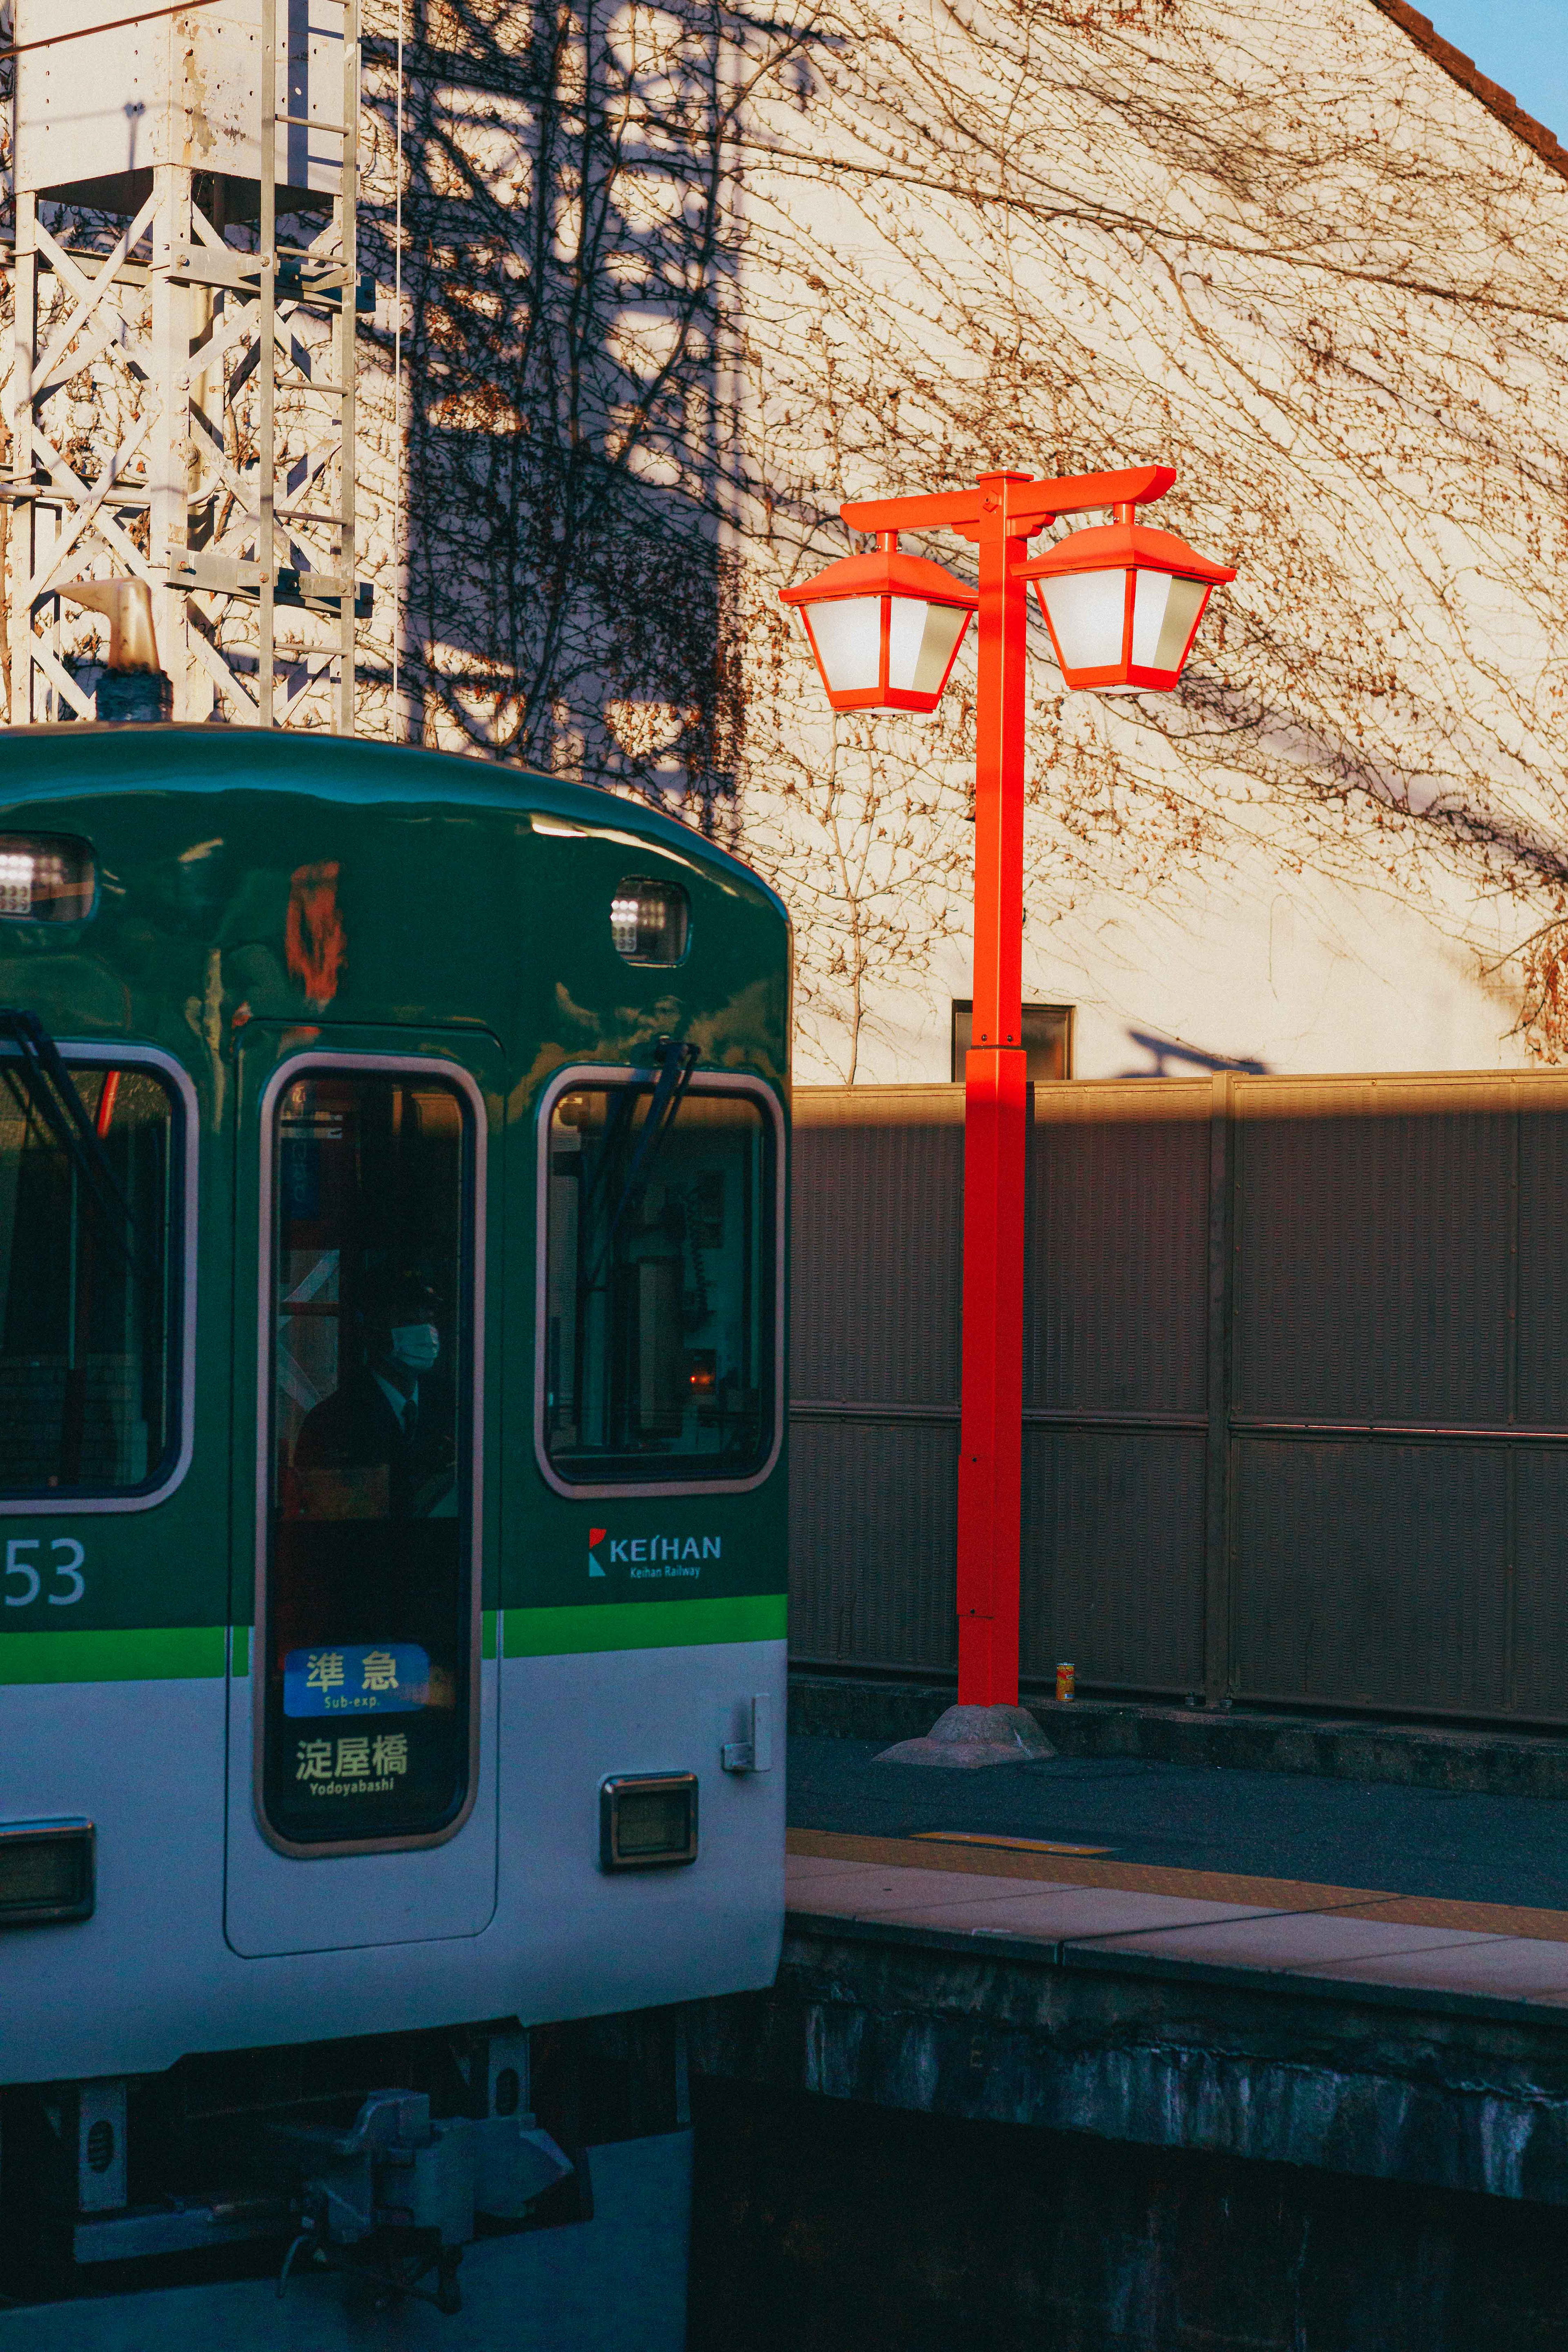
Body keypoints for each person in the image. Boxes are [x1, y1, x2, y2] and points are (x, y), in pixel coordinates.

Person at [294, 1271, 457, 1518]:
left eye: (430, 1319)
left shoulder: (452, 1408)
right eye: (410, 1318)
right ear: (375, 1330)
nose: (427, 1332)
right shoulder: (331, 1422)